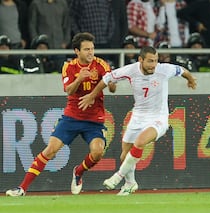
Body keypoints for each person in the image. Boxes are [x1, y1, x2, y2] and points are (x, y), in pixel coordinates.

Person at [5, 32, 116, 196]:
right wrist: (79, 78)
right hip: (71, 117)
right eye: (86, 49)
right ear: (77, 51)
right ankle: (22, 188)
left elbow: (112, 89)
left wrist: (112, 82)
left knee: (98, 152)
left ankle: (78, 172)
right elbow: (68, 90)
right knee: (50, 151)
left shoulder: (101, 65)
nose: (90, 52)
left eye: (92, 49)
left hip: (94, 120)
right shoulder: (69, 67)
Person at [78, 46, 197, 195]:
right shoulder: (130, 71)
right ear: (140, 60)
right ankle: (130, 183)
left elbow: (183, 71)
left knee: (140, 142)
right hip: (138, 116)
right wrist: (92, 95)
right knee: (124, 156)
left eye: (155, 61)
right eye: (149, 61)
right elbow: (106, 79)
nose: (153, 65)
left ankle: (117, 177)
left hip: (158, 117)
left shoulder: (164, 69)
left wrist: (191, 80)